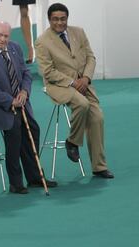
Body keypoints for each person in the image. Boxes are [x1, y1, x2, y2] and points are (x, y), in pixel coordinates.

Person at [0, 21, 57, 194]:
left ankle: (35, 177)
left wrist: (25, 92)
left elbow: (26, 72)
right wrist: (11, 101)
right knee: (15, 131)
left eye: (6, 36)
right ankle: (16, 182)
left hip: (21, 101)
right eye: (0, 35)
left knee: (33, 129)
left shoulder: (15, 48)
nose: (3, 39)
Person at [35, 3, 114, 179]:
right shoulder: (42, 41)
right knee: (82, 103)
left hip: (83, 83)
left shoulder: (79, 32)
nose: (59, 22)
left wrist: (85, 78)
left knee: (98, 117)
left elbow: (91, 57)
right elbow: (47, 72)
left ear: (67, 18)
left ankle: (99, 167)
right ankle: (72, 141)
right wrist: (72, 82)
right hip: (59, 85)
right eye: (55, 19)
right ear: (49, 20)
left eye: (63, 19)